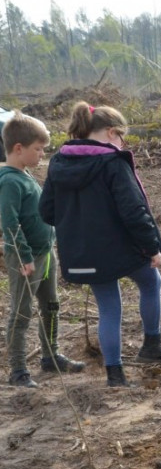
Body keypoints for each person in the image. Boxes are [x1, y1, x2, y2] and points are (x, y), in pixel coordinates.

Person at [39, 102, 161, 388]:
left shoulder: (58, 162)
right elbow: (134, 211)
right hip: (121, 248)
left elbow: (47, 212)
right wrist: (153, 247)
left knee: (109, 308)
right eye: (122, 136)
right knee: (150, 281)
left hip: (82, 253)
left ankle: (115, 374)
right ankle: (153, 346)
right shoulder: (113, 163)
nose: (123, 143)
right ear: (111, 132)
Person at [1, 112, 85, 388]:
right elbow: (9, 222)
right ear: (18, 148)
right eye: (38, 150)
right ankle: (18, 369)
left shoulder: (24, 176)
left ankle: (50, 355)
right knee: (22, 312)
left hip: (46, 253)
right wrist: (24, 256)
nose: (41, 156)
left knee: (51, 305)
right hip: (26, 258)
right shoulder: (9, 181)